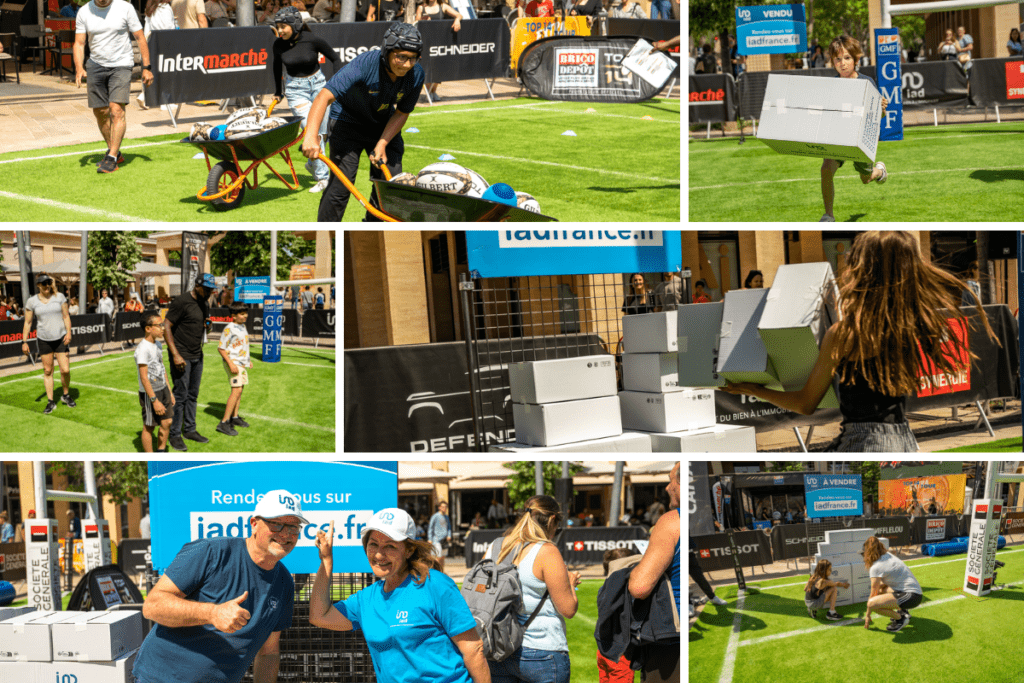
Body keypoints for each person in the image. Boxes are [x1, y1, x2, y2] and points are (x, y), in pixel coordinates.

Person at [723, 231, 997, 452]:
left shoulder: (845, 334)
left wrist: (753, 389)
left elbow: (805, 404)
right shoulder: (911, 326)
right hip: (903, 440)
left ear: (866, 270)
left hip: (865, 442)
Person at [133, 490, 304, 683]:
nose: (285, 533)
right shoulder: (211, 552)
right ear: (254, 524)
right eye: (276, 524)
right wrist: (213, 613)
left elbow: (268, 652)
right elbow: (152, 606)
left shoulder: (284, 582)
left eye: (293, 527)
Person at [309, 508, 491, 683]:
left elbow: (473, 649)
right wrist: (326, 561)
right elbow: (319, 616)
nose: (379, 554)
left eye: (390, 546)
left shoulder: (434, 584)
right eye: (373, 544)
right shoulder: (366, 599)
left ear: (409, 550)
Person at [302, 22, 425, 222]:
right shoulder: (365, 64)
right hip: (347, 121)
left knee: (390, 185)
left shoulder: (416, 74)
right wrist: (311, 136)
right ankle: (325, 232)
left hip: (382, 123)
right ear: (387, 51)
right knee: (341, 186)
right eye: (401, 57)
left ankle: (373, 228)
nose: (407, 64)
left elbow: (402, 112)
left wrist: (382, 143)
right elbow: (323, 97)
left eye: (413, 58)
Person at [487, 495, 581, 683]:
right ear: (552, 520)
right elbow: (568, 609)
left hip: (499, 647)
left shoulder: (496, 546)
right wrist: (570, 583)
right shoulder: (547, 551)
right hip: (542, 650)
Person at [74, 0, 153, 174]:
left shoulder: (125, 8)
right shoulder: (84, 12)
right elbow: (79, 43)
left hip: (121, 65)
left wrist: (147, 67)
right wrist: (79, 68)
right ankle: (114, 151)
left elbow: (140, 37)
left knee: (116, 110)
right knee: (100, 112)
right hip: (95, 65)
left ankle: (111, 157)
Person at [816, 35, 888, 222]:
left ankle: (880, 171)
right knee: (826, 169)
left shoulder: (867, 83)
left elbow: (877, 118)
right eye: (838, 59)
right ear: (833, 62)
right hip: (838, 137)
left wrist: (881, 110)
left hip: (861, 139)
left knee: (866, 178)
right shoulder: (831, 85)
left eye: (847, 58)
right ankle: (829, 216)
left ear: (856, 60)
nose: (843, 63)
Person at [271, 7, 340, 194]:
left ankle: (312, 163)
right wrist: (278, 92)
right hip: (296, 91)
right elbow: (276, 68)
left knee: (323, 134)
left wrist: (335, 84)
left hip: (319, 87)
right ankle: (323, 178)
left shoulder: (312, 39)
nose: (280, 30)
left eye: (283, 26)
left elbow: (335, 58)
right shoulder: (278, 45)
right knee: (312, 132)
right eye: (278, 26)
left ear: (295, 25)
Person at [628, 463, 680, 683]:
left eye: (671, 481)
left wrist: (635, 569)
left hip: (667, 634)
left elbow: (639, 586)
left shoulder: (670, 521)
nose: (667, 487)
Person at [163, 272, 215, 452]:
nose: (209, 293)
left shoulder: (205, 303)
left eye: (211, 290)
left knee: (193, 395)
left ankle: (190, 430)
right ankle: (175, 435)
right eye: (206, 289)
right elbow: (166, 326)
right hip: (181, 355)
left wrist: (208, 326)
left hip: (197, 354)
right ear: (197, 286)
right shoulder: (181, 301)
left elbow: (204, 325)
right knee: (180, 396)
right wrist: (175, 354)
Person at [23, 274, 76, 415]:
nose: (47, 285)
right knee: (47, 371)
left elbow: (66, 316)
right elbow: (28, 322)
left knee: (65, 370)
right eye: (43, 283)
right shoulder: (32, 301)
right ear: (38, 285)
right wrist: (24, 341)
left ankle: (65, 395)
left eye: (48, 283)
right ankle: (51, 401)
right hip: (44, 339)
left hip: (61, 338)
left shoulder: (59, 297)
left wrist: (69, 332)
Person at [862, 536, 921, 632]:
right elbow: (881, 586)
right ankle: (903, 610)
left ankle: (901, 618)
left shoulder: (876, 567)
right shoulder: (888, 555)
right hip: (914, 593)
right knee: (881, 590)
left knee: (872, 604)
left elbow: (872, 596)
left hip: (912, 597)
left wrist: (867, 615)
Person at [136, 312, 175, 453]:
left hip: (163, 388)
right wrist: (154, 400)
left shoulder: (158, 344)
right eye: (159, 325)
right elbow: (144, 377)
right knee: (149, 427)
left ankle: (161, 452)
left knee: (167, 422)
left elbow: (162, 368)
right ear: (148, 328)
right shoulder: (142, 349)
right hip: (150, 393)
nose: (163, 328)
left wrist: (169, 391)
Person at [216, 302, 252, 437]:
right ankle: (224, 422)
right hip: (233, 363)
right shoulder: (229, 329)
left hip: (241, 363)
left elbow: (243, 346)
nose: (245, 316)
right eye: (242, 314)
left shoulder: (242, 326)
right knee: (236, 391)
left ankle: (235, 417)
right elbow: (221, 348)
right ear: (233, 316)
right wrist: (231, 364)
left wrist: (248, 360)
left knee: (240, 390)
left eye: (246, 313)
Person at [416, 0, 461, 101]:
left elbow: (459, 15)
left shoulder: (443, 6)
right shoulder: (421, 7)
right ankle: (428, 92)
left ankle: (433, 91)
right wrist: (423, 19)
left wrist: (457, 20)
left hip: (439, 42)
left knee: (438, 68)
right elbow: (416, 22)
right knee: (427, 68)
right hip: (426, 42)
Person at [428, 501, 452, 571]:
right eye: (443, 507)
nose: (444, 508)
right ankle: (436, 571)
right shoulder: (435, 516)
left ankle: (442, 571)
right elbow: (430, 527)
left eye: (445, 507)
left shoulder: (446, 517)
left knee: (443, 557)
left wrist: (449, 535)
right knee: (438, 557)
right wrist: (430, 539)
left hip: (444, 540)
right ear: (439, 508)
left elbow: (449, 527)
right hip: (436, 539)